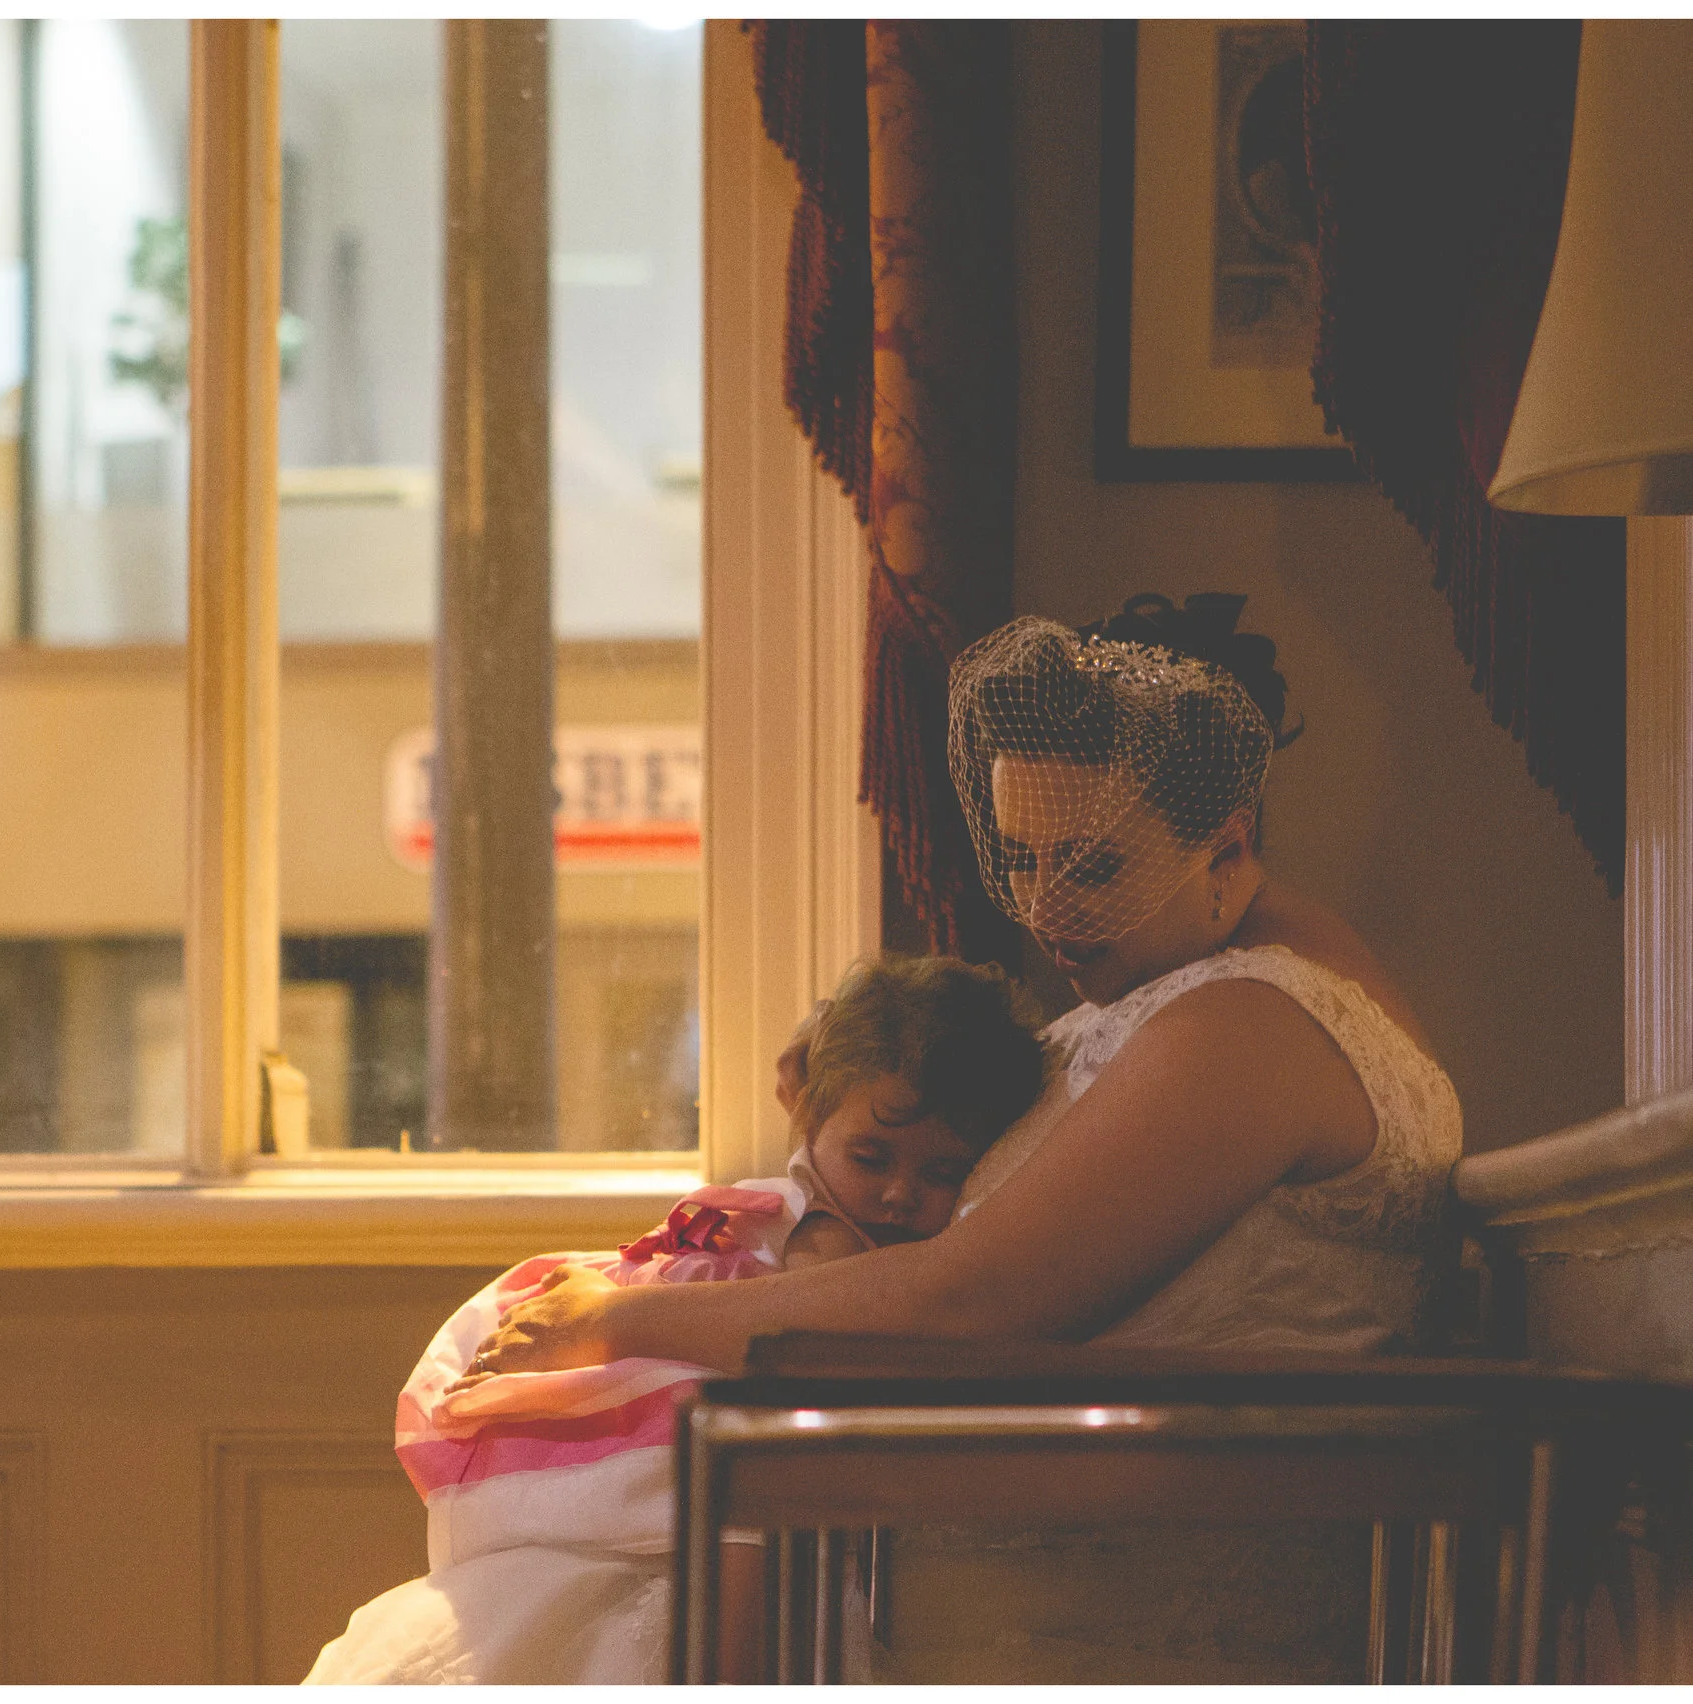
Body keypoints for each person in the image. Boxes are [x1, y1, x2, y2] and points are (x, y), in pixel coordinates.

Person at [460, 591, 1466, 1681]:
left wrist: (622, 1323)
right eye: (1022, 857)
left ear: (1226, 849)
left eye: (1090, 867)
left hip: (1128, 1616)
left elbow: (968, 1299)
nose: (1042, 910)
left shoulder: (1248, 1024)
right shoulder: (1179, 994)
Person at [304, 956, 1051, 1686]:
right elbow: (826, 1349)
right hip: (697, 1421)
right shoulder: (822, 1242)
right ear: (809, 1112)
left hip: (696, 1427)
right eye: (871, 1156)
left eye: (940, 1173)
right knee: (750, 1487)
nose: (897, 1192)